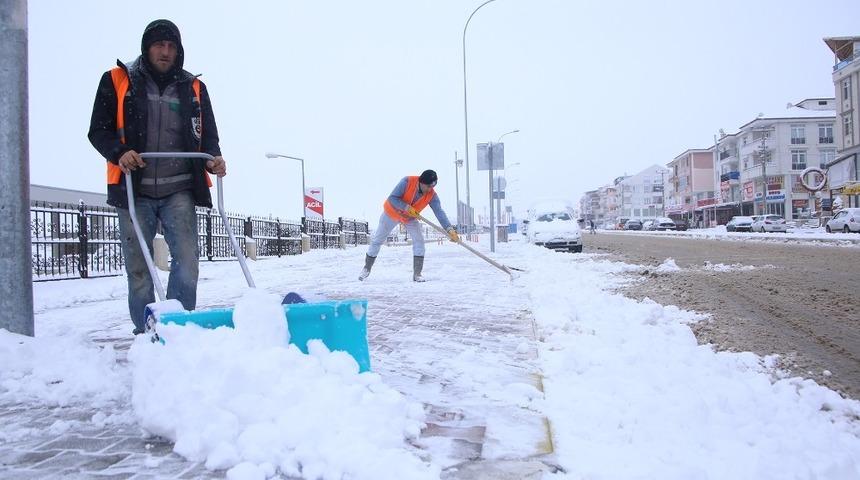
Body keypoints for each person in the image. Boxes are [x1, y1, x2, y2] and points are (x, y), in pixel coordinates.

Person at [88, 19, 226, 334]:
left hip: (179, 187)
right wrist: (119, 152)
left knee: (188, 263)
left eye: (171, 46)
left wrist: (213, 159)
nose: (165, 52)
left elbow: (208, 136)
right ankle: (146, 331)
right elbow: (98, 130)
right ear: (146, 48)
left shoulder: (193, 87)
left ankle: (178, 326)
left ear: (178, 51)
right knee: (139, 268)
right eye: (159, 45)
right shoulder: (117, 80)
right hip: (133, 188)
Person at [359, 170, 459, 282]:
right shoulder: (407, 181)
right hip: (391, 213)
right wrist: (406, 207)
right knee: (377, 240)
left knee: (419, 241)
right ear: (421, 182)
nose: (429, 189)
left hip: (409, 218)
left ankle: (417, 274)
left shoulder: (432, 195)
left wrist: (449, 229)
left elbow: (439, 212)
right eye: (428, 186)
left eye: (432, 186)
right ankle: (367, 268)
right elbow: (392, 198)